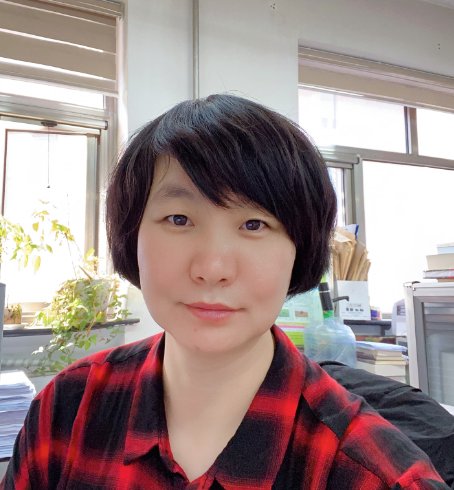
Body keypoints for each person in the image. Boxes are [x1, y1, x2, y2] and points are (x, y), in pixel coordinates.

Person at [1, 94, 449, 490]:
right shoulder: (67, 410)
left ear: (300, 248)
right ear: (130, 236)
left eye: (254, 224)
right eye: (179, 219)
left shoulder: (376, 474)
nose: (212, 269)